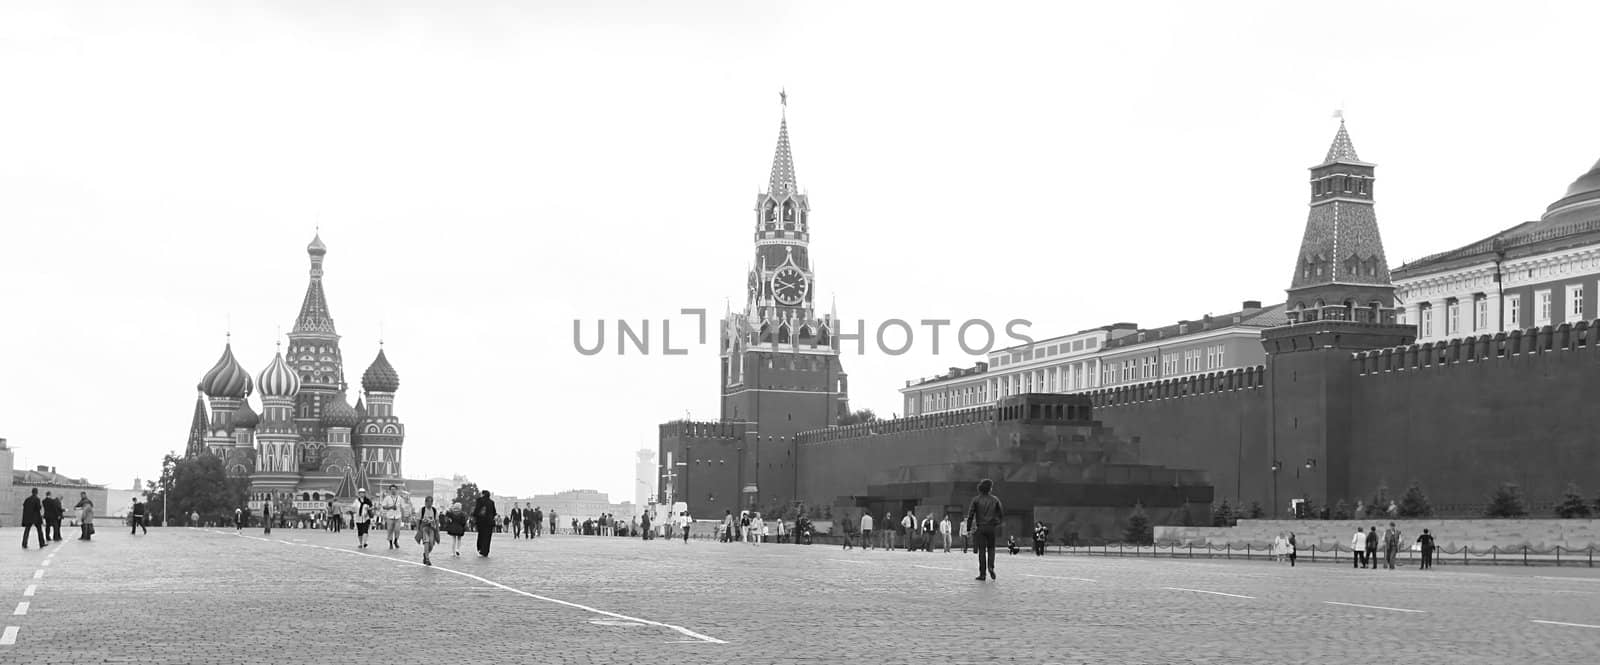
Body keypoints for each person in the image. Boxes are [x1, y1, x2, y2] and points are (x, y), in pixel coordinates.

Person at [966, 478, 1004, 581]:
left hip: (981, 527)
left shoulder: (976, 500)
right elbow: (1001, 514)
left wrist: (968, 528)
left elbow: (970, 515)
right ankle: (991, 567)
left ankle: (982, 574)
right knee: (991, 549)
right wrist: (996, 522)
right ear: (990, 489)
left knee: (981, 551)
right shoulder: (995, 499)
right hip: (991, 527)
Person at [414, 496, 441, 566]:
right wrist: (418, 529)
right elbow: (418, 520)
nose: (429, 503)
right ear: (425, 502)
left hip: (432, 529)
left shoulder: (434, 510)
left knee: (431, 544)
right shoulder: (422, 510)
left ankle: (425, 554)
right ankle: (427, 559)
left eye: (431, 502)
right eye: (428, 502)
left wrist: (437, 531)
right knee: (426, 542)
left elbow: (437, 520)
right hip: (424, 528)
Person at [472, 489, 497, 557]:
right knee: (488, 537)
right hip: (489, 522)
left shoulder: (480, 500)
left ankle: (480, 549)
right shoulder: (492, 502)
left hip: (481, 521)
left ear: (483, 494)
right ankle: (486, 551)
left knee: (481, 535)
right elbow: (494, 512)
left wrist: (474, 515)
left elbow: (477, 510)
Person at [381, 485, 403, 549]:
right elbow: (384, 506)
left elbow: (402, 507)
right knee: (390, 530)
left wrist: (403, 515)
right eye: (392, 489)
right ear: (390, 490)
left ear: (396, 490)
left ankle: (395, 541)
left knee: (397, 530)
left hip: (398, 516)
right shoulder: (387, 498)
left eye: (394, 489)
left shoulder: (400, 498)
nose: (393, 490)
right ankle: (390, 544)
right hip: (390, 516)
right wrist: (391, 507)